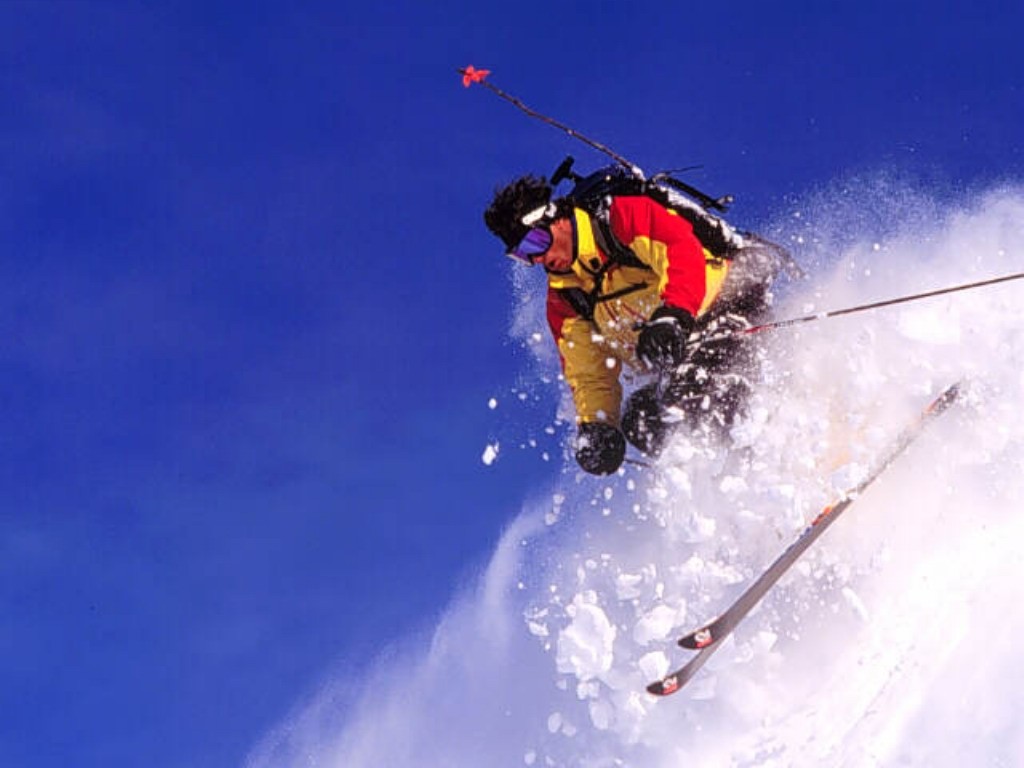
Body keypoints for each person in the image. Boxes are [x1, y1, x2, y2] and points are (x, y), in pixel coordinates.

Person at [484, 174, 783, 475]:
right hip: (681, 354)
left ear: (556, 218)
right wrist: (598, 426)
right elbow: (588, 373)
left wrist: (673, 314)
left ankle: (782, 454)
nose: (538, 258)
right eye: (523, 255)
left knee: (696, 387)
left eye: (536, 242)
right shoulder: (565, 296)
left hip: (727, 306)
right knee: (642, 420)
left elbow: (679, 249)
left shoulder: (621, 218)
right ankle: (732, 491)